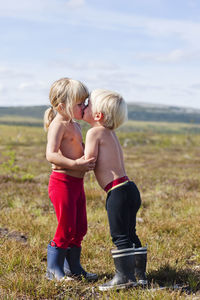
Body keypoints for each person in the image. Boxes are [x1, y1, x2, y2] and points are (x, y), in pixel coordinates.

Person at [83, 89, 147, 291]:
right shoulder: (111, 133)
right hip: (129, 188)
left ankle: (124, 278)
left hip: (116, 192)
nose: (84, 107)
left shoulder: (94, 132)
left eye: (87, 104)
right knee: (130, 233)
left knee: (119, 236)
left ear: (98, 115)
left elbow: (89, 160)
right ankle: (139, 275)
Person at [44, 77, 97, 281]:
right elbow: (51, 154)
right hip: (62, 183)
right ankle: (54, 270)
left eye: (85, 102)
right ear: (61, 106)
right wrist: (75, 164)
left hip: (76, 184)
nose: (84, 107)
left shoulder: (75, 125)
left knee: (80, 227)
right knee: (66, 227)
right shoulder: (59, 125)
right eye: (79, 103)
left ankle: (73, 268)